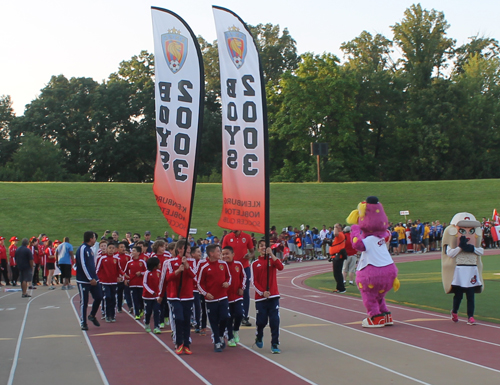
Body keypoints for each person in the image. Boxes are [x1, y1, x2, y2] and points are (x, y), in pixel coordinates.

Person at [441, 213, 484, 325]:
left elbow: (481, 251)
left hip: (471, 270)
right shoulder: (453, 244)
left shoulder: (475, 246)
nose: (468, 234)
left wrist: (471, 248)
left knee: (471, 295)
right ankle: (454, 311)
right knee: (458, 295)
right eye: (463, 230)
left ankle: (470, 316)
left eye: (471, 230)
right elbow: (450, 253)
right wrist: (461, 247)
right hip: (459, 270)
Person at [251, 240, 284, 354]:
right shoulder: (255, 264)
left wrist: (272, 254)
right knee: (261, 321)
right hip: (261, 298)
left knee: (275, 321)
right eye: (261, 246)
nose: (264, 248)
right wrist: (262, 292)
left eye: (265, 246)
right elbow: (254, 281)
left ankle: (274, 343)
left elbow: (280, 267)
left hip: (274, 296)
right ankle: (259, 335)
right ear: (258, 249)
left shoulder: (272, 260)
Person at [198, 244, 231, 352]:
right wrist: (206, 293)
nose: (220, 253)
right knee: (213, 321)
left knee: (225, 317)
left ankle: (221, 335)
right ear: (211, 253)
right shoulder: (204, 267)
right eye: (218, 251)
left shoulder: (223, 264)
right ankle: (216, 341)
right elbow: (199, 283)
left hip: (223, 297)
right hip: (211, 300)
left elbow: (228, 276)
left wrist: (227, 283)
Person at [164, 240, 195, 355]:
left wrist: (187, 267)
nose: (188, 250)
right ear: (179, 249)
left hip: (188, 296)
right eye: (186, 248)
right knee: (179, 318)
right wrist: (178, 271)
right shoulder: (170, 262)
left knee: (187, 320)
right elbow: (168, 278)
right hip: (175, 296)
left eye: (189, 248)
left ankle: (186, 344)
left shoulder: (192, 262)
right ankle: (178, 342)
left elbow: (194, 276)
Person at [222, 230, 255, 326]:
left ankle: (244, 316)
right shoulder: (227, 237)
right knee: (228, 289)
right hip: (230, 267)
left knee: (244, 291)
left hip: (244, 267)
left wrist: (249, 256)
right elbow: (223, 253)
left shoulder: (247, 236)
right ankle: (230, 314)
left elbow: (252, 252)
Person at [75, 231, 102, 331]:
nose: (95, 239)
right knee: (84, 301)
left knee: (99, 297)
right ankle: (83, 322)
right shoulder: (83, 248)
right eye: (94, 237)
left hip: (94, 279)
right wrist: (90, 278)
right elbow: (83, 264)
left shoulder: (90, 249)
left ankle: (92, 315)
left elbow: (91, 264)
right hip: (84, 281)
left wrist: (94, 277)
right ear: (91, 238)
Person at [222, 245, 245, 347]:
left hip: (237, 295)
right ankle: (230, 337)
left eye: (227, 254)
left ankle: (236, 330)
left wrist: (242, 287)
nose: (225, 256)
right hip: (225, 296)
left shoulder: (238, 264)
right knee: (228, 317)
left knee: (239, 314)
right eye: (223, 254)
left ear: (233, 254)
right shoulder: (221, 266)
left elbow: (244, 277)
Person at [96, 242, 123, 322]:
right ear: (107, 249)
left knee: (113, 298)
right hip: (105, 282)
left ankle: (112, 315)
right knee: (107, 297)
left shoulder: (116, 259)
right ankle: (107, 315)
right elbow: (97, 270)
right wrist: (98, 279)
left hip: (114, 282)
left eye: (113, 248)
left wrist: (122, 276)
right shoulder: (102, 258)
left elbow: (119, 269)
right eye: (110, 248)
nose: (111, 250)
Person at [125, 246, 147, 320]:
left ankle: (141, 309)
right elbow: (125, 272)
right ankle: (136, 313)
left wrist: (141, 273)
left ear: (138, 253)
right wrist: (126, 279)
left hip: (141, 284)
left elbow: (146, 272)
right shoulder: (129, 262)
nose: (132, 252)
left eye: (134, 251)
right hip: (132, 283)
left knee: (141, 298)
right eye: (132, 251)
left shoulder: (142, 262)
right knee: (134, 299)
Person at [143, 256, 162, 334]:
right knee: (148, 311)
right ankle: (147, 324)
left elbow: (161, 283)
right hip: (147, 296)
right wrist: (151, 292)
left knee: (157, 311)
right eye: (159, 263)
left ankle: (156, 326)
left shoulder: (159, 272)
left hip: (156, 296)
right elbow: (144, 283)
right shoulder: (147, 272)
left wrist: (159, 292)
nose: (160, 264)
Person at [328, 224, 347, 293]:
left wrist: (335, 226)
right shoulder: (340, 235)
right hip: (336, 256)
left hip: (338, 256)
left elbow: (335, 233)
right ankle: (339, 287)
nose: (334, 229)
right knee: (336, 273)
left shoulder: (340, 234)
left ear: (340, 228)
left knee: (337, 273)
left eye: (336, 227)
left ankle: (341, 288)